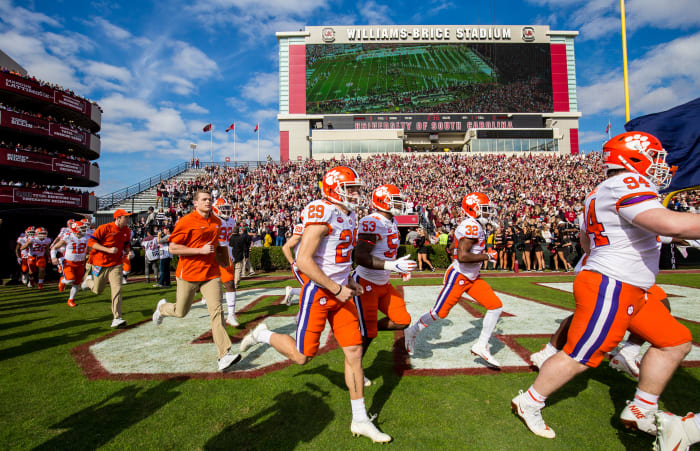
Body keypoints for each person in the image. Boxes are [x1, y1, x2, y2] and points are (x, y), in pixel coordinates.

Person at [512, 131, 699, 439]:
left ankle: (642, 408)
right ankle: (529, 401)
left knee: (675, 340)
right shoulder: (630, 183)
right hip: (613, 284)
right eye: (654, 157)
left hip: (627, 285)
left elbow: (588, 240)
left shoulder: (600, 191)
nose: (659, 165)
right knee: (581, 355)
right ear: (634, 158)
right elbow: (669, 224)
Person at [238, 166, 391, 443]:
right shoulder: (323, 211)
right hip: (320, 293)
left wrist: (350, 281)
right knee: (302, 357)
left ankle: (359, 419)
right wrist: (335, 287)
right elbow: (304, 260)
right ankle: (263, 334)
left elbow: (340, 256)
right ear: (334, 188)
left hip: (342, 290)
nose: (356, 193)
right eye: (351, 188)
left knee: (354, 351)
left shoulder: (350, 213)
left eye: (357, 187)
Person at [404, 193, 502, 368]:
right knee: (439, 313)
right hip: (459, 276)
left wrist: (453, 247)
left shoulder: (475, 225)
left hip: (472, 277)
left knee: (495, 306)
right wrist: (487, 255)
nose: (488, 213)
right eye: (485, 209)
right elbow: (463, 256)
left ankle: (481, 345)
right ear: (474, 210)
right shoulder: (471, 226)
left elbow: (453, 248)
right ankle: (411, 332)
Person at [151, 190, 241, 372]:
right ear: (195, 203)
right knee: (180, 311)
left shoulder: (216, 221)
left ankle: (224, 355)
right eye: (204, 199)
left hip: (211, 274)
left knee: (217, 312)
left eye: (210, 199)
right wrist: (199, 251)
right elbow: (174, 248)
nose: (208, 202)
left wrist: (223, 260)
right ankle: (162, 309)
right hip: (189, 275)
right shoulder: (186, 222)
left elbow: (217, 246)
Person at [352, 184, 417, 386]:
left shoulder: (392, 221)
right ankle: (356, 370)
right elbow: (359, 256)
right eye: (395, 200)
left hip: (383, 281)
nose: (400, 203)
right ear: (382, 201)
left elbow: (385, 251)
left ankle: (366, 326)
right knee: (367, 335)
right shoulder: (372, 221)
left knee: (403, 320)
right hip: (366, 283)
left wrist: (399, 267)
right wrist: (392, 265)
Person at [83, 209, 133, 328]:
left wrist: (128, 251)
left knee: (117, 289)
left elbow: (126, 243)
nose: (128, 219)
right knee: (97, 290)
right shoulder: (104, 228)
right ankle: (88, 282)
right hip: (100, 263)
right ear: (118, 218)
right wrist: (108, 250)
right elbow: (91, 243)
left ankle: (117, 318)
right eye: (125, 217)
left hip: (116, 264)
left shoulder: (126, 230)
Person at [212, 198, 239, 327]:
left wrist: (230, 252)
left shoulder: (232, 221)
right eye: (223, 209)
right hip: (213, 250)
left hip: (224, 251)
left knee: (229, 283)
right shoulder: (212, 219)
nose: (227, 211)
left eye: (228, 208)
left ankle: (231, 314)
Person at [50, 221, 89, 307]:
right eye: (81, 228)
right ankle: (62, 280)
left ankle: (71, 300)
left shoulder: (87, 237)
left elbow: (90, 248)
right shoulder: (68, 236)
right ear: (75, 229)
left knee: (77, 283)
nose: (84, 229)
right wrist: (53, 257)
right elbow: (54, 247)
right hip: (68, 262)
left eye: (84, 227)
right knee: (70, 280)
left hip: (81, 263)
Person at [280, 221, 305, 305]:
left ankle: (292, 291)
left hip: (314, 264)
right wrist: (292, 262)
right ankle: (300, 317)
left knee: (317, 289)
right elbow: (286, 247)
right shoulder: (302, 227)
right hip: (302, 265)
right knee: (313, 290)